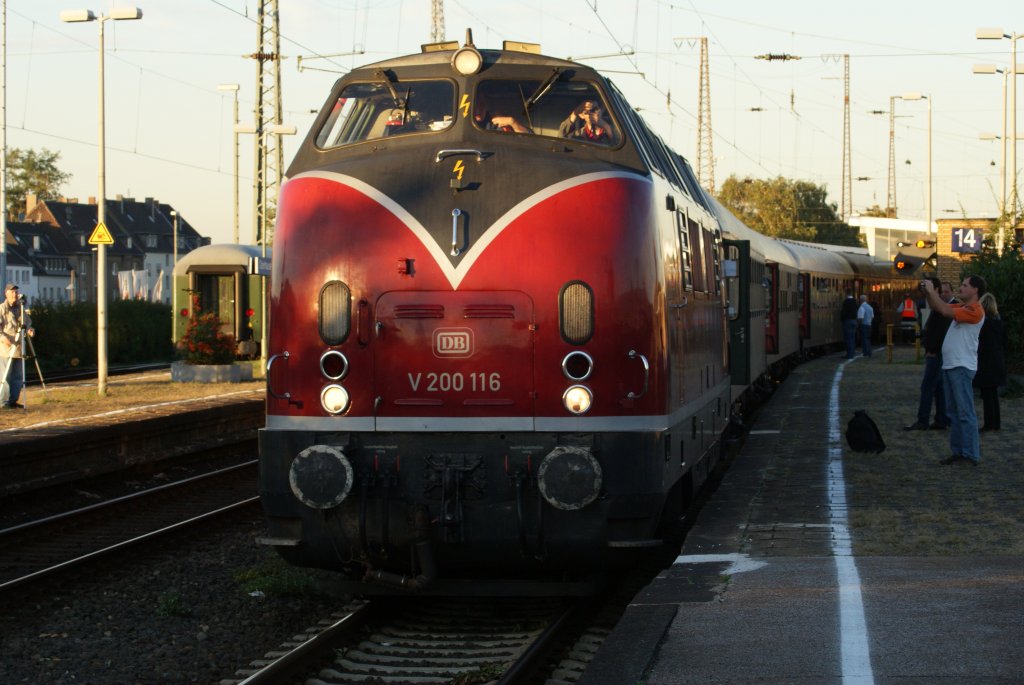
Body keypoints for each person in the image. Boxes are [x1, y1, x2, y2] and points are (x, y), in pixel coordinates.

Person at [920, 275, 986, 466]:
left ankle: (970, 454)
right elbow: (938, 307)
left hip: (961, 366)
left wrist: (932, 291)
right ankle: (959, 451)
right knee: (954, 412)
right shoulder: (964, 307)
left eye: (965, 286)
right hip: (951, 365)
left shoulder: (975, 310)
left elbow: (944, 309)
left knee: (965, 412)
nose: (961, 288)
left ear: (975, 290)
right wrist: (929, 292)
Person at [904, 279, 954, 431]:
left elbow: (941, 332)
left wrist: (932, 349)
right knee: (939, 388)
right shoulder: (941, 307)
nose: (943, 295)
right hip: (938, 353)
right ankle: (941, 419)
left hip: (937, 354)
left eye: (946, 292)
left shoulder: (946, 308)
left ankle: (923, 420)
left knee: (927, 388)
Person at [974, 292, 1006, 432]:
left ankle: (989, 424)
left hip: (985, 362)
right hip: (997, 360)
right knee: (993, 395)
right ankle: (996, 423)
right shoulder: (999, 323)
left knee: (987, 394)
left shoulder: (983, 324)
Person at [0, 283, 35, 409]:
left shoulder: (20, 308)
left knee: (18, 377)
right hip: (6, 349)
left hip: (19, 348)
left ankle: (13, 401)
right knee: (5, 377)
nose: (15, 295)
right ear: (6, 294)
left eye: (16, 292)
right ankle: (3, 403)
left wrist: (30, 329)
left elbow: (27, 322)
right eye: (12, 292)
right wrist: (4, 339)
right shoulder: (2, 309)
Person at [840, 291, 858, 360]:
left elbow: (844, 312)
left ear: (846, 294)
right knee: (852, 338)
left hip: (848, 321)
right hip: (854, 321)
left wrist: (842, 319)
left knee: (848, 338)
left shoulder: (846, 302)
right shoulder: (855, 301)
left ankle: (849, 354)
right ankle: (852, 353)